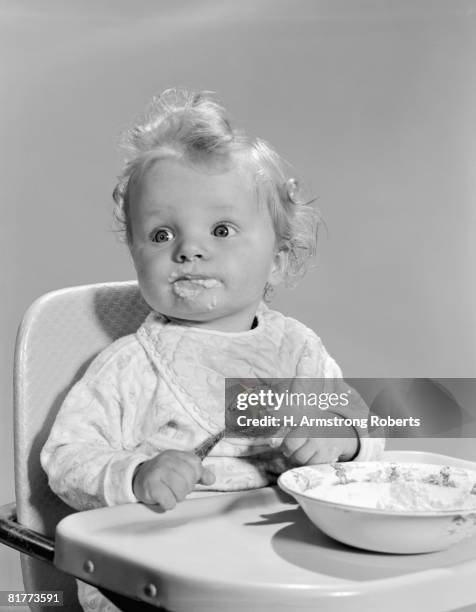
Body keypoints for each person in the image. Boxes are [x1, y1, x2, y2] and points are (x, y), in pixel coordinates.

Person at [41, 88, 384, 611]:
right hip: (164, 571)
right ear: (134, 251)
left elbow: (366, 434)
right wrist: (136, 475)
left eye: (221, 229)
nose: (189, 248)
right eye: (160, 235)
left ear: (279, 257)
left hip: (284, 562)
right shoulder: (131, 367)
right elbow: (66, 459)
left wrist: (342, 440)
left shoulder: (297, 353)